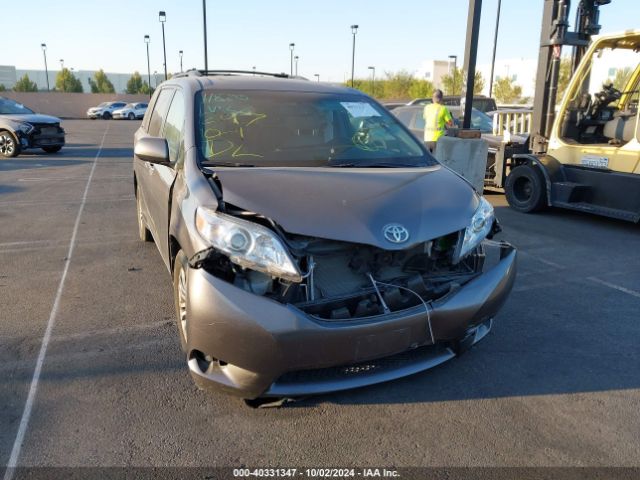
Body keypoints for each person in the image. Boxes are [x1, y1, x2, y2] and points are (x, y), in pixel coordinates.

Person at [423, 89, 454, 154]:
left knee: (428, 160)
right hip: (438, 140)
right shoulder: (443, 108)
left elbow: (426, 118)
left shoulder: (426, 107)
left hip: (427, 138)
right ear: (441, 98)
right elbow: (450, 123)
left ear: (432, 98)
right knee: (437, 160)